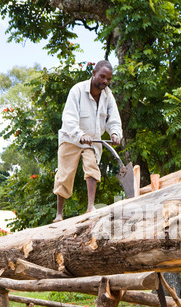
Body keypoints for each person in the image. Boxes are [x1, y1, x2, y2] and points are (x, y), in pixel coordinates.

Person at [53, 60, 123, 222]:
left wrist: (114, 133)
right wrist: (79, 134)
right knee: (64, 174)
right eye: (102, 77)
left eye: (109, 79)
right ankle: (59, 214)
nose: (105, 81)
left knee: (92, 166)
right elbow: (69, 117)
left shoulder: (108, 96)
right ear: (93, 73)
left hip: (92, 141)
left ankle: (90, 207)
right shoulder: (77, 90)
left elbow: (114, 118)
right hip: (71, 138)